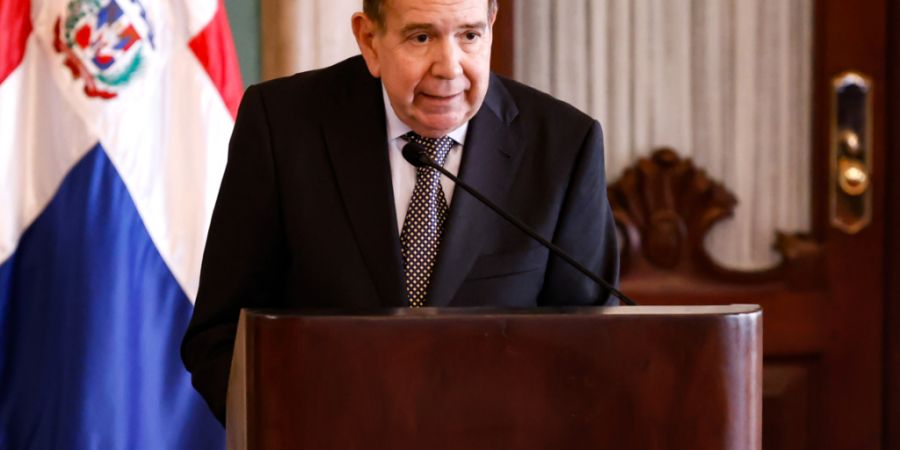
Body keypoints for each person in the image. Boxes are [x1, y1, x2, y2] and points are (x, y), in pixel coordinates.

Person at [181, 0, 620, 424]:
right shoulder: (283, 126)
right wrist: (292, 431)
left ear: (491, 25)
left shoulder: (563, 146)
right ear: (369, 40)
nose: (449, 67)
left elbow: (590, 354)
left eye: (469, 35)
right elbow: (221, 336)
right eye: (422, 37)